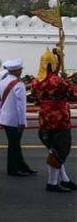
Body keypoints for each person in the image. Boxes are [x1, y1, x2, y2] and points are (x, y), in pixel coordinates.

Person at [31, 49, 77, 193]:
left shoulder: (36, 81)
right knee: (60, 149)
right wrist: (67, 81)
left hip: (45, 118)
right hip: (59, 119)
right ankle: (52, 183)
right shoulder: (58, 80)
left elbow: (35, 98)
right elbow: (74, 95)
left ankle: (64, 179)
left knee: (54, 150)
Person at [0, 59, 36, 176]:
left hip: (6, 117)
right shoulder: (19, 84)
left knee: (15, 144)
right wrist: (22, 121)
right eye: (20, 69)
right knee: (14, 145)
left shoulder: (2, 82)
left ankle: (22, 166)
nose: (21, 71)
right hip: (15, 119)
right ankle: (13, 169)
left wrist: (0, 116)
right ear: (16, 71)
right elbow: (21, 106)